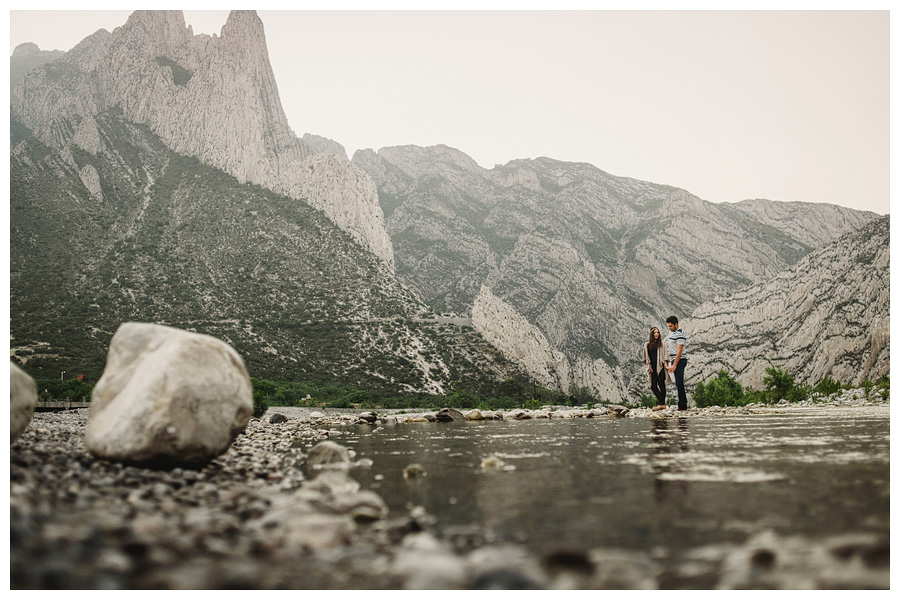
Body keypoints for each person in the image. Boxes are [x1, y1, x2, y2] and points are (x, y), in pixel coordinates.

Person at [642, 327, 671, 410]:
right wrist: (649, 367)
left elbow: (665, 356)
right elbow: (646, 359)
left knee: (662, 385)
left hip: (660, 367)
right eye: (655, 333)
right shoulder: (647, 345)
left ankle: (661, 404)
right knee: (653, 386)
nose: (656, 334)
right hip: (652, 369)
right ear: (651, 334)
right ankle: (662, 403)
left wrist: (666, 366)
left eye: (658, 332)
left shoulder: (662, 344)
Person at [665, 316, 689, 410]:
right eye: (668, 326)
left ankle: (682, 405)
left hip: (679, 360)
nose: (669, 328)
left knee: (679, 383)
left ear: (676, 324)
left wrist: (674, 364)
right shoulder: (673, 333)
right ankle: (682, 404)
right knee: (678, 383)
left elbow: (679, 351)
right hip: (675, 360)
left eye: (671, 326)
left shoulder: (680, 334)